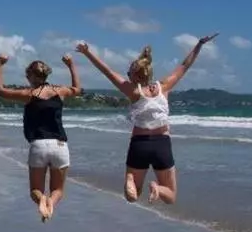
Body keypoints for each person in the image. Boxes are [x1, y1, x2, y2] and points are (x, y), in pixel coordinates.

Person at [75, 34, 218, 204]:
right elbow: (184, 65)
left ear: (134, 76)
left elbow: (108, 71)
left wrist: (87, 53)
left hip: (139, 144)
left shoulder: (133, 91)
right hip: (162, 144)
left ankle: (130, 179)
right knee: (171, 196)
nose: (127, 75)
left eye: (129, 73)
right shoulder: (164, 86)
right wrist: (199, 44)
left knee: (133, 196)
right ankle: (157, 188)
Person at [0, 52, 82, 222]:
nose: (27, 78)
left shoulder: (29, 94)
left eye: (28, 75)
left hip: (38, 146)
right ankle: (50, 203)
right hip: (60, 146)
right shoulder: (60, 91)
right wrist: (71, 65)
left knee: (35, 190)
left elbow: (0, 91)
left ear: (32, 76)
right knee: (58, 190)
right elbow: (77, 89)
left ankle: (42, 199)